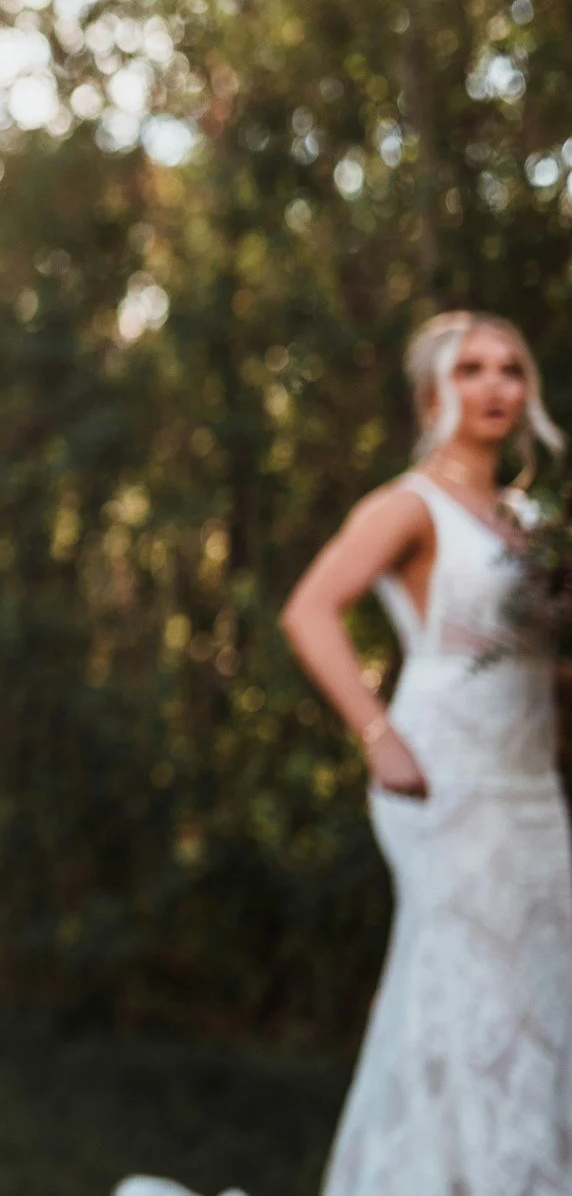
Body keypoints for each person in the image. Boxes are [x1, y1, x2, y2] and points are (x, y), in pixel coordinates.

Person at [280, 310, 572, 1193]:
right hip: (442, 774)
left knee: (539, 992)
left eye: (510, 369)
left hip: (531, 779)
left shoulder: (531, 518)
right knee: (466, 988)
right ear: (432, 393)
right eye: (471, 369)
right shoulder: (408, 504)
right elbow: (309, 610)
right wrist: (379, 734)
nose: (494, 386)